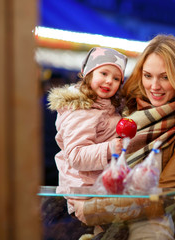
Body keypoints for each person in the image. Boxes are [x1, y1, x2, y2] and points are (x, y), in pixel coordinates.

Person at [71, 34, 175, 240]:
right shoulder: (126, 109)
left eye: (165, 77)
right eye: (148, 76)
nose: (154, 86)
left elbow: (163, 195)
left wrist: (92, 209)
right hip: (108, 229)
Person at [47, 47, 127, 218]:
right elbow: (76, 155)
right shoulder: (82, 110)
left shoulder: (106, 107)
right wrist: (110, 148)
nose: (108, 81)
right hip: (84, 192)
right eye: (103, 73)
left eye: (116, 78)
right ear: (88, 73)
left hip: (99, 188)